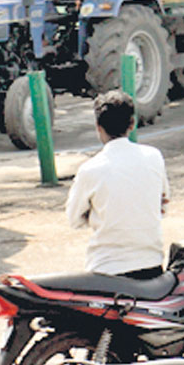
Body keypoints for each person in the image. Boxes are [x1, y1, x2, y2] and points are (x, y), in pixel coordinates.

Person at [65, 91, 170, 278]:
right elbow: (163, 207)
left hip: (106, 270)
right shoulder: (153, 157)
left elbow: (73, 220)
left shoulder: (90, 169)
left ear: (98, 127)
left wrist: (98, 213)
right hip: (151, 266)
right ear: (132, 123)